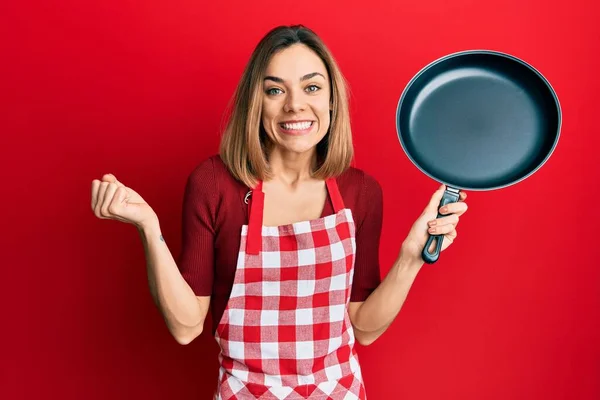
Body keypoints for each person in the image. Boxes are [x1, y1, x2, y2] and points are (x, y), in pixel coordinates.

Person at [90, 25, 468, 400]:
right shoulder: (214, 184)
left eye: (312, 87)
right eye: (275, 90)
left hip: (339, 391)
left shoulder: (361, 192)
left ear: (332, 100)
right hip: (245, 392)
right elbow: (186, 326)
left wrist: (410, 258)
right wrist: (148, 227)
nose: (294, 105)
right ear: (256, 103)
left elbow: (364, 328)